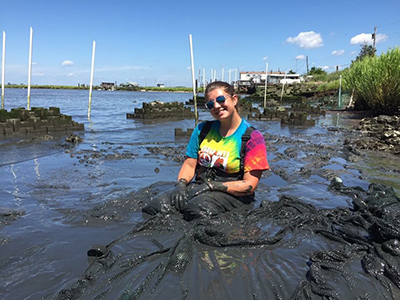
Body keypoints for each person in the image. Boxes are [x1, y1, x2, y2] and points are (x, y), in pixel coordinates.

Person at [143, 81, 269, 221]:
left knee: (197, 209)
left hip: (234, 194)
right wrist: (181, 184)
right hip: (200, 187)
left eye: (221, 100)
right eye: (210, 104)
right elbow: (190, 164)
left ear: (234, 99)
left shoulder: (252, 137)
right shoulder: (202, 130)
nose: (216, 106)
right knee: (157, 206)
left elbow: (249, 185)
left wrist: (212, 186)